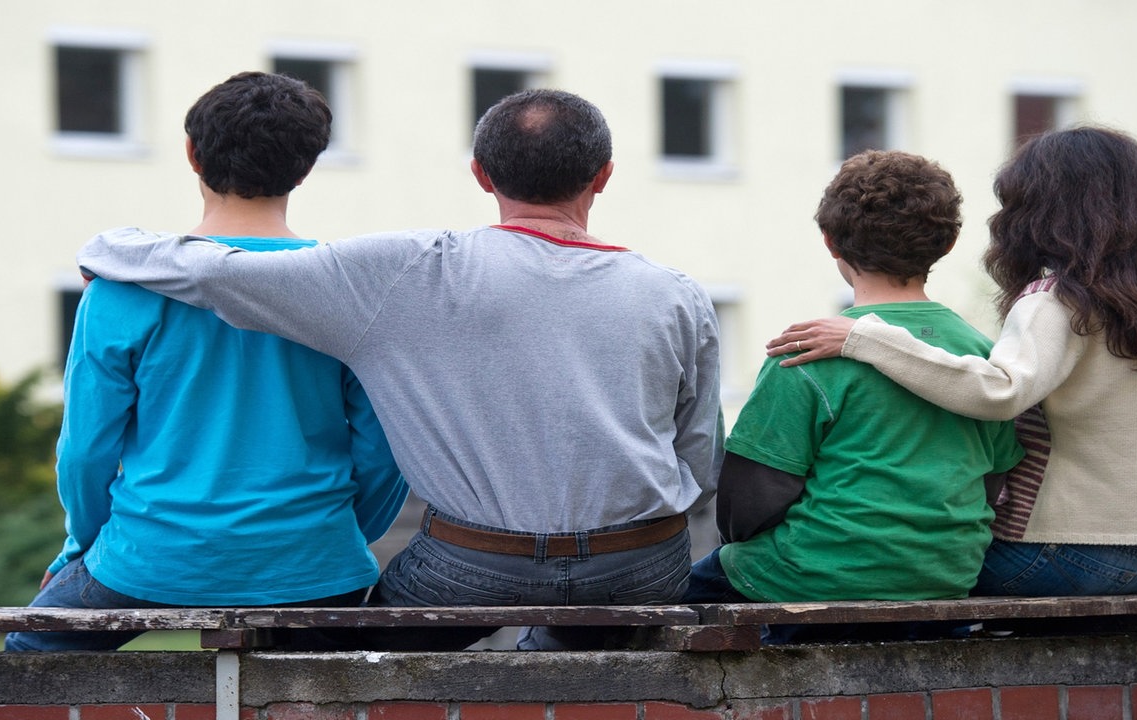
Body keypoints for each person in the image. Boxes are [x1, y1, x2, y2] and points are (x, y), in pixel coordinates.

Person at [75, 88, 724, 651]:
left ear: (480, 174)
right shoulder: (678, 294)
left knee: (347, 657)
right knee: (576, 647)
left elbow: (220, 272)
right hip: (641, 561)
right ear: (604, 175)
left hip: (477, 566)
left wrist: (108, 246)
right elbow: (699, 458)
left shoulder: (413, 271)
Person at [4, 71, 407, 652]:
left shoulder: (121, 290)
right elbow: (383, 447)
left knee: (26, 661)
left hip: (151, 555)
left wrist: (80, 548)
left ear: (192, 154)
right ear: (306, 167)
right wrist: (335, 536)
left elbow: (86, 448)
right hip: (313, 561)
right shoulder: (346, 291)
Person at [766, 126, 1137, 597]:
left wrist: (866, 338)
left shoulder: (1061, 302)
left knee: (913, 567)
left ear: (1042, 212)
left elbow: (999, 390)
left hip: (1066, 551)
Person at [681, 150, 1023, 640]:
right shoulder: (982, 356)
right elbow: (993, 481)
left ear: (830, 241)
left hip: (812, 577)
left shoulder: (806, 352)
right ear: (948, 244)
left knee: (671, 594)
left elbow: (747, 504)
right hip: (945, 579)